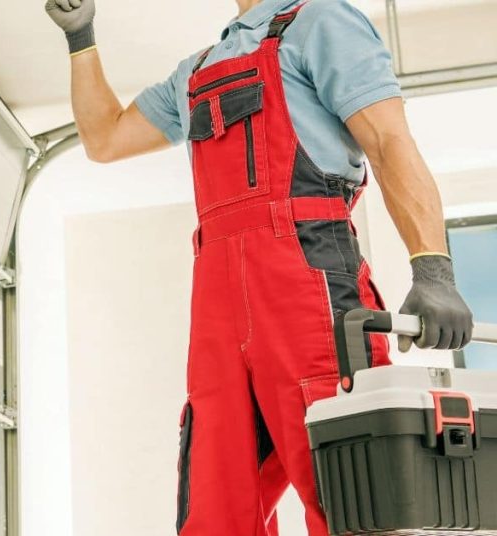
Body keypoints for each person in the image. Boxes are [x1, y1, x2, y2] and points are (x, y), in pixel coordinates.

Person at [44, 0, 474, 534]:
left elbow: (388, 142)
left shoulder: (321, 21)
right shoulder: (195, 70)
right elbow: (103, 139)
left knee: (349, 492)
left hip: (307, 274)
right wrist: (80, 38)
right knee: (214, 507)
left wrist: (432, 266)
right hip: (216, 302)